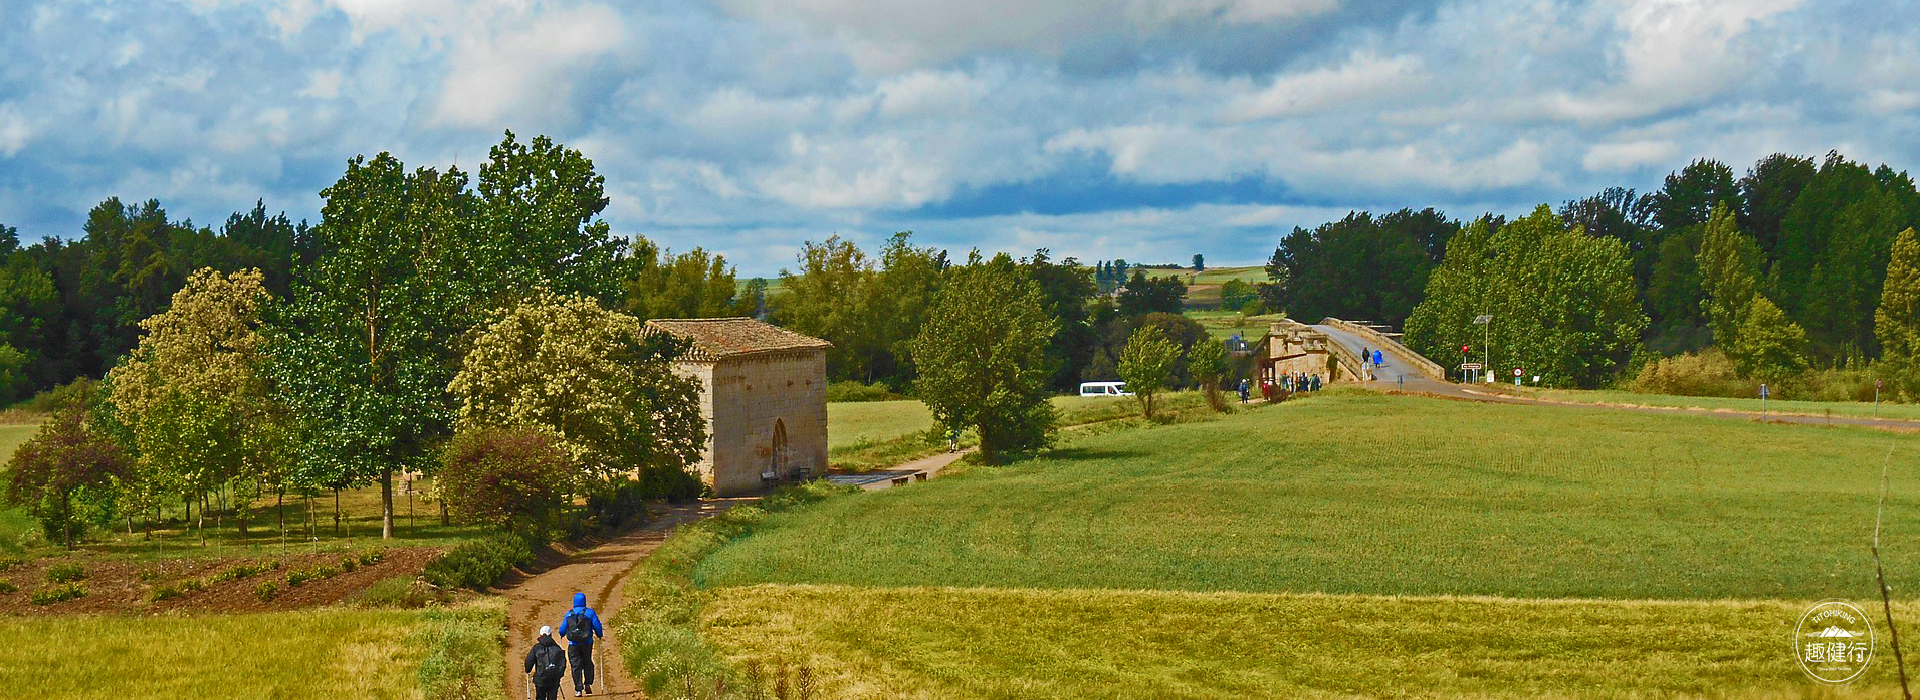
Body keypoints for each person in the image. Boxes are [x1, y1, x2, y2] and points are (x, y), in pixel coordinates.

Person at [557, 592, 605, 696]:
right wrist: (599, 635)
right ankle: (588, 683)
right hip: (587, 643)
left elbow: (562, 630)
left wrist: (561, 634)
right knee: (587, 662)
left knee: (576, 666)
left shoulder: (569, 613)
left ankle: (578, 689)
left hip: (573, 644)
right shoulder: (590, 613)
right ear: (584, 601)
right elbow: (597, 626)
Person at [524, 626, 567, 700]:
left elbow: (529, 660)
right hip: (554, 680)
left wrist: (528, 669)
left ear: (540, 635)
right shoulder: (557, 648)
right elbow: (562, 663)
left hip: (540, 680)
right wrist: (559, 675)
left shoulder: (536, 648)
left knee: (540, 697)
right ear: (551, 635)